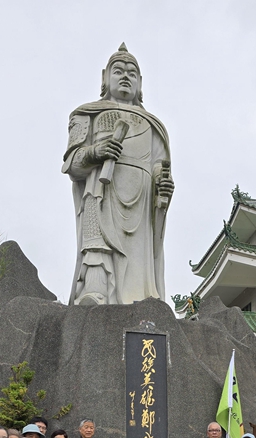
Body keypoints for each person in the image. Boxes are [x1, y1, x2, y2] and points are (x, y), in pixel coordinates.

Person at [62, 43, 174, 306]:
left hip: (141, 200)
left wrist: (163, 184)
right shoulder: (87, 114)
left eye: (132, 73)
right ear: (105, 77)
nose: (125, 76)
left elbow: (159, 167)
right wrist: (95, 152)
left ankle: (142, 297)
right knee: (97, 242)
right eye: (119, 71)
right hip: (102, 190)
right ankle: (96, 288)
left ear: (140, 82)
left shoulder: (153, 126)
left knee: (139, 256)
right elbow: (71, 164)